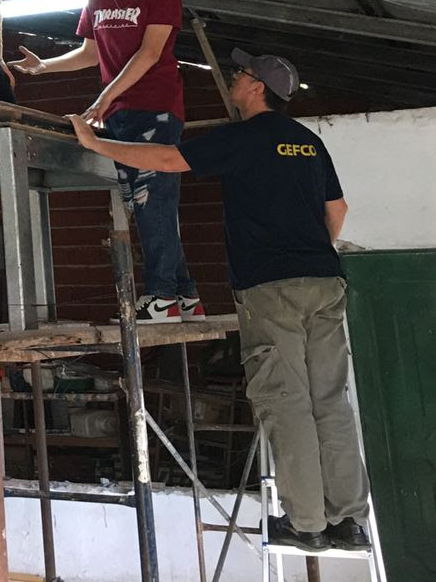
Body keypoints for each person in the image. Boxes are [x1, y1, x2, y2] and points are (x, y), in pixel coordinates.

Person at [69, 50, 372, 554]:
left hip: (270, 287)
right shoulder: (307, 141)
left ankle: (308, 524)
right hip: (324, 280)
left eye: (240, 74)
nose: (232, 78)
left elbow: (168, 160)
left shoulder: (247, 136)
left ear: (257, 88)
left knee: (287, 402)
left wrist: (95, 142)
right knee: (329, 402)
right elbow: (336, 210)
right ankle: (349, 522)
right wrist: (309, 252)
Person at [13, 0, 201, 322]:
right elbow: (91, 53)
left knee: (153, 200)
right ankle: (186, 296)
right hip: (118, 112)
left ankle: (162, 297)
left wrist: (103, 98)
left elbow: (150, 53)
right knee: (145, 203)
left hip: (155, 108)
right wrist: (44, 66)